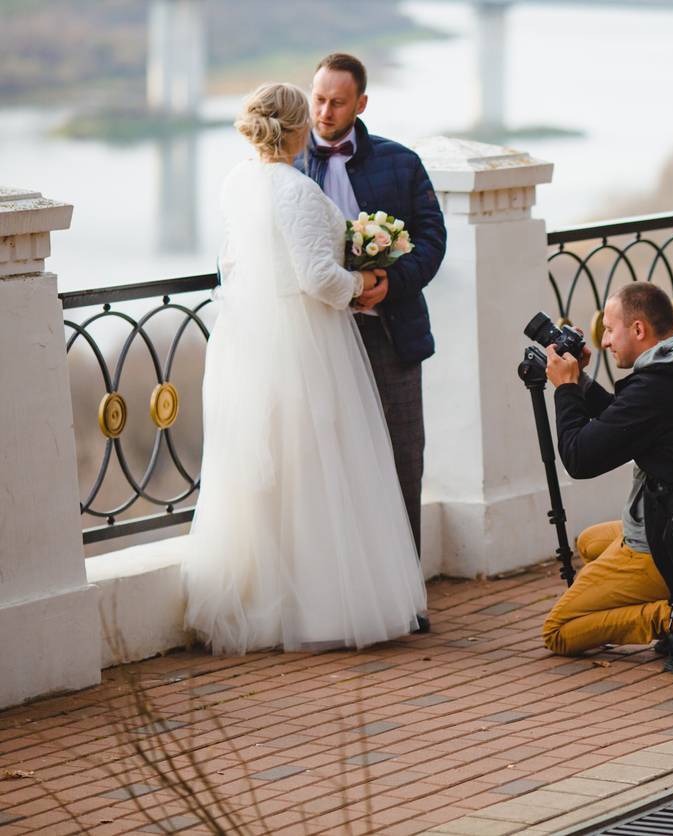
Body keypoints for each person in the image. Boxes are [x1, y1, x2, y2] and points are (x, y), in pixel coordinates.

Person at [180, 83, 427, 654]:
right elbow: (318, 278)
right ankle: (320, 608)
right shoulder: (295, 190)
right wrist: (363, 284)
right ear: (294, 130)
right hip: (305, 340)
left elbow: (232, 263)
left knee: (268, 471)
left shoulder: (237, 181)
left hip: (249, 336)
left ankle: (266, 603)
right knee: (319, 466)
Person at [540, 283, 673, 674]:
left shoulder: (654, 390)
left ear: (638, 330)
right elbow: (627, 421)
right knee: (588, 542)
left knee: (559, 630)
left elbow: (579, 458)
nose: (604, 342)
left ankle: (672, 617)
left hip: (670, 543)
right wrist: (582, 383)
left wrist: (565, 389)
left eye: (610, 329)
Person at [296, 53, 446, 591]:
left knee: (404, 462)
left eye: (337, 102)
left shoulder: (401, 163)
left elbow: (432, 239)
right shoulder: (288, 168)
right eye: (318, 99)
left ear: (361, 104)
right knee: (330, 465)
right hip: (321, 342)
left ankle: (406, 591)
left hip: (391, 337)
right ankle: (345, 590)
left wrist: (391, 282)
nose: (324, 111)